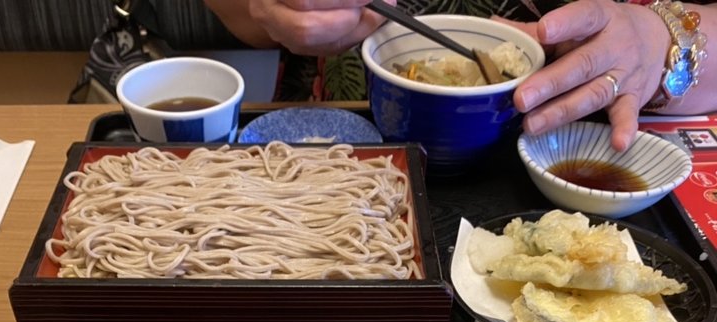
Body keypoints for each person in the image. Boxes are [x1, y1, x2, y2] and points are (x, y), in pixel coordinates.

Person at [203, 0, 717, 151]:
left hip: (593, 143)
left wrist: (665, 40)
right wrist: (273, 8)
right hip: (338, 136)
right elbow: (241, 15)